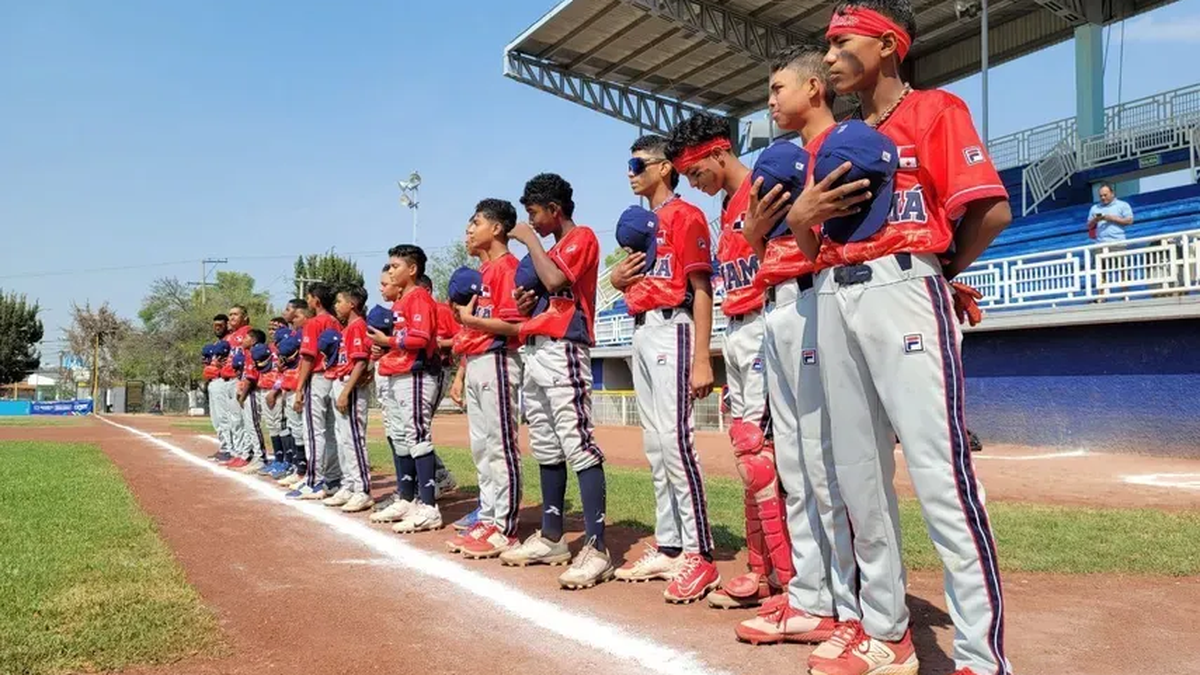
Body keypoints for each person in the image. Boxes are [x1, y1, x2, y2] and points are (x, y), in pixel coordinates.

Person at [783, 3, 1013, 674]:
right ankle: (886, 632)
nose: (829, 57)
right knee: (858, 475)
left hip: (905, 286)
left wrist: (940, 271)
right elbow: (812, 246)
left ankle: (980, 657)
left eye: (841, 42)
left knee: (942, 476)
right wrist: (798, 219)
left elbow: (991, 209)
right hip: (834, 291)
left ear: (887, 44)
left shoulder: (936, 110)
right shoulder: (837, 139)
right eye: (826, 46)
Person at [730, 44, 861, 647]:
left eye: (778, 87)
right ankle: (810, 595)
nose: (770, 99)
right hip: (778, 304)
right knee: (795, 463)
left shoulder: (841, 148)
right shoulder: (784, 160)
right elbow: (776, 251)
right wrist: (757, 234)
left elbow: (843, 243)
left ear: (814, 88)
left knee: (825, 461)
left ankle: (846, 598)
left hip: (820, 301)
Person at [608, 134, 720, 604]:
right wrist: (617, 281)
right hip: (641, 328)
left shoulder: (685, 215)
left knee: (675, 442)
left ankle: (699, 552)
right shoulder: (641, 224)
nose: (630, 172)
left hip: (674, 327)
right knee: (655, 446)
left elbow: (701, 288)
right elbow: (634, 279)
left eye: (638, 164)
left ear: (664, 168)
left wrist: (702, 356)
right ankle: (671, 545)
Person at [665, 113, 772, 601]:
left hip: (768, 323)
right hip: (739, 329)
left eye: (696, 172)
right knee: (748, 455)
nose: (694, 184)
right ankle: (761, 566)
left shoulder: (763, 186)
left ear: (719, 152)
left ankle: (785, 579)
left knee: (766, 456)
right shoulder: (727, 206)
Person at [499, 173, 613, 591]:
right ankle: (551, 537)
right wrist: (527, 302)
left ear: (555, 209)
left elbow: (555, 281)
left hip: (565, 346)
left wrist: (530, 240)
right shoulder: (551, 249)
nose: (531, 221)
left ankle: (597, 548)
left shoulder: (582, 237)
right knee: (546, 444)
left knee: (576, 442)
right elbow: (545, 293)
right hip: (537, 348)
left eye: (535, 213)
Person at [444, 198, 525, 560]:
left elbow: (516, 325)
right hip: (476, 360)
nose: (468, 230)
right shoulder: (481, 272)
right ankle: (489, 516)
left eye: (475, 223)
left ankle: (505, 528)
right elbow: (473, 329)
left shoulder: (508, 269)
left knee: (499, 446)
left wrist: (472, 322)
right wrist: (461, 373)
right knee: (481, 447)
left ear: (496, 228)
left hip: (498, 359)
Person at [369, 244, 444, 533]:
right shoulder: (402, 301)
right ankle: (408, 499)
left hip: (415, 373)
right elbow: (402, 339)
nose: (390, 271)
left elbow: (421, 338)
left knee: (417, 436)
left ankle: (429, 507)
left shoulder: (419, 297)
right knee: (401, 437)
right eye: (389, 266)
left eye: (395, 266)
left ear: (412, 269)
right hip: (399, 372)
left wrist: (388, 342)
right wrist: (385, 348)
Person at [321, 285, 375, 513]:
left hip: (350, 386)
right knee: (342, 438)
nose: (336, 306)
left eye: (339, 301)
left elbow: (361, 361)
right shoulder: (348, 328)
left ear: (352, 304)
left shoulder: (358, 326)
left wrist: (345, 392)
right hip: (341, 381)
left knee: (353, 439)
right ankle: (349, 484)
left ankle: (362, 490)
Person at [288, 283, 344, 500]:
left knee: (314, 431)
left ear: (316, 300)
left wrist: (299, 388)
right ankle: (332, 478)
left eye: (309, 297)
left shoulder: (314, 323)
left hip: (318, 377)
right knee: (331, 431)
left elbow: (308, 357)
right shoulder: (335, 321)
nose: (308, 301)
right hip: (334, 377)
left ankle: (315, 480)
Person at [219, 306, 254, 469]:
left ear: (245, 317)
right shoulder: (231, 336)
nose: (232, 317)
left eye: (236, 314)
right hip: (228, 378)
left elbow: (249, 357)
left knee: (240, 419)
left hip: (239, 379)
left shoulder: (247, 332)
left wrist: (244, 379)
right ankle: (238, 452)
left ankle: (246, 453)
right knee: (233, 419)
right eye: (230, 314)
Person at [257, 320, 291, 477]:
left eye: (275, 329)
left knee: (281, 425)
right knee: (271, 426)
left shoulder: (286, 348)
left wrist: (275, 391)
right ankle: (278, 459)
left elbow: (284, 373)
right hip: (264, 388)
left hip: (277, 391)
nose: (272, 332)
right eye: (270, 329)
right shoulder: (269, 349)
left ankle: (287, 460)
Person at [236, 328, 269, 473]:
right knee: (250, 426)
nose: (243, 340)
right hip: (247, 391)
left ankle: (260, 457)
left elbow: (251, 378)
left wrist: (243, 396)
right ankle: (257, 456)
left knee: (253, 425)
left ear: (254, 340)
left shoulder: (253, 354)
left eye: (246, 338)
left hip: (252, 392)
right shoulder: (248, 354)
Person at [205, 314, 232, 462]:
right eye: (215, 326)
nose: (217, 328)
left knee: (223, 417)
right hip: (213, 381)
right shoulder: (217, 343)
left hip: (223, 381)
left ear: (227, 325)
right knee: (216, 418)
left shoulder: (230, 341)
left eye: (220, 325)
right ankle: (223, 446)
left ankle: (228, 448)